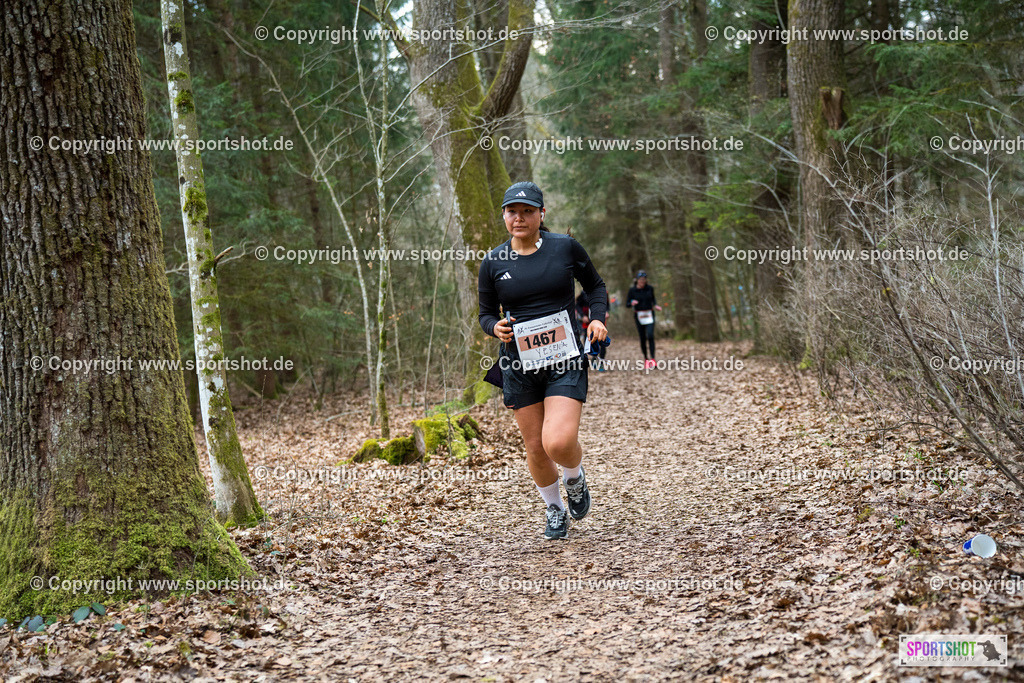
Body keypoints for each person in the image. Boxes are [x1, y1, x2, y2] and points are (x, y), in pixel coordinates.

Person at [478, 181, 609, 540]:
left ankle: (574, 477)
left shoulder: (564, 247)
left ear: (541, 214)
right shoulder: (493, 261)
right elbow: (485, 313)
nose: (519, 218)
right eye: (512, 211)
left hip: (564, 359)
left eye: (527, 211)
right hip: (519, 365)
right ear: (504, 215)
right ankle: (554, 509)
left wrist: (597, 319)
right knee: (536, 447)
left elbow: (595, 286)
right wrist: (494, 328)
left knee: (558, 443)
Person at [626, 270, 662, 369]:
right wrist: (632, 302)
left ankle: (653, 358)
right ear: (637, 280)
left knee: (650, 335)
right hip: (639, 315)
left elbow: (653, 299)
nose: (642, 281)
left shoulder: (650, 288)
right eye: (640, 280)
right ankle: (646, 359)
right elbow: (627, 304)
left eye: (644, 280)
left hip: (649, 314)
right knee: (642, 337)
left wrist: (656, 305)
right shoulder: (632, 290)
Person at [576, 290, 607, 370]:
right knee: (589, 341)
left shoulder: (603, 291)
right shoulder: (583, 293)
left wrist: (606, 312)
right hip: (587, 322)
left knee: (602, 341)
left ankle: (601, 362)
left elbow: (607, 304)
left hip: (599, 321)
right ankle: (594, 358)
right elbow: (578, 305)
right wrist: (583, 316)